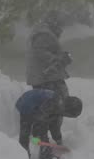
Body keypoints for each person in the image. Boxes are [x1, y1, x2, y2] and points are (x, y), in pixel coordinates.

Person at [26, 11, 72, 145]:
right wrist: (62, 59)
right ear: (54, 22)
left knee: (53, 110)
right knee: (52, 111)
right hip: (46, 80)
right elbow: (42, 55)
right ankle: (43, 144)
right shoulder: (44, 34)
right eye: (61, 25)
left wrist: (61, 57)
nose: (62, 29)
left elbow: (45, 53)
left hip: (46, 79)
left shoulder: (43, 32)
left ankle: (51, 140)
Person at [15, 88, 83, 159]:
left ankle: (44, 152)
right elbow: (40, 119)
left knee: (42, 127)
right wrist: (37, 135)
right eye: (71, 115)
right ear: (68, 110)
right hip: (25, 103)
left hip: (35, 105)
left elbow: (54, 126)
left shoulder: (60, 105)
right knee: (26, 133)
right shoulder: (54, 103)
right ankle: (23, 157)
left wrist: (58, 140)